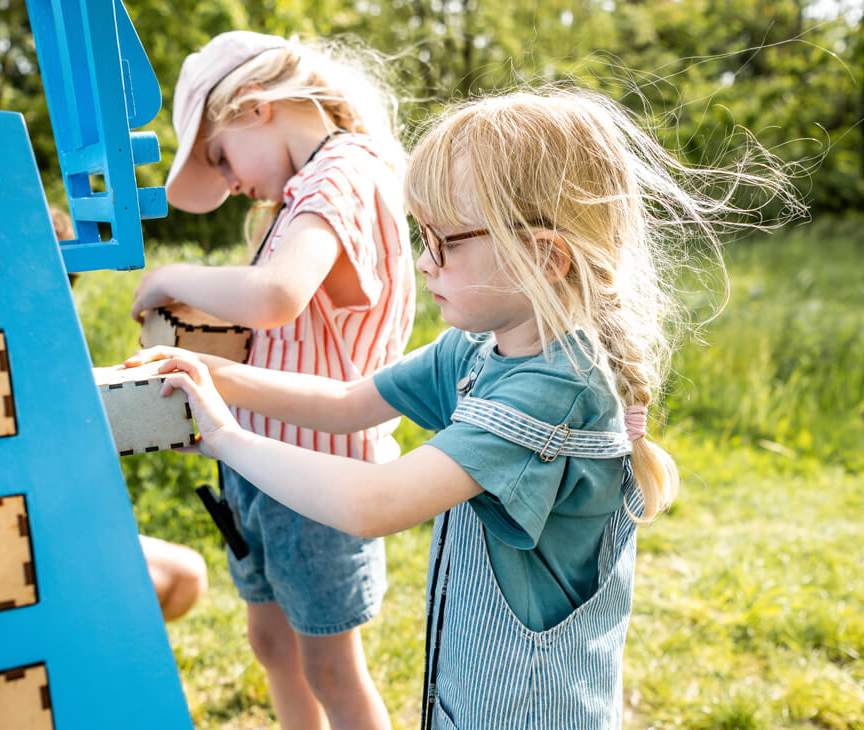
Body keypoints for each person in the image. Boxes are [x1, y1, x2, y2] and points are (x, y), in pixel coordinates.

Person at [129, 87, 797, 728]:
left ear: (542, 254)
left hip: (532, 710)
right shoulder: (478, 349)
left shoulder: (557, 390)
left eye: (445, 243)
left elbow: (375, 503)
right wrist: (218, 376)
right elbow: (346, 402)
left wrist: (223, 436)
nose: (424, 264)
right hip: (474, 687)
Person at [131, 30, 415, 730]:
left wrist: (168, 276)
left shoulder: (341, 171)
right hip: (256, 460)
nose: (230, 184)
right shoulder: (299, 193)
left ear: (255, 107)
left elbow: (276, 296)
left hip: (316, 467)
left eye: (221, 159)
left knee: (329, 665)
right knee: (271, 642)